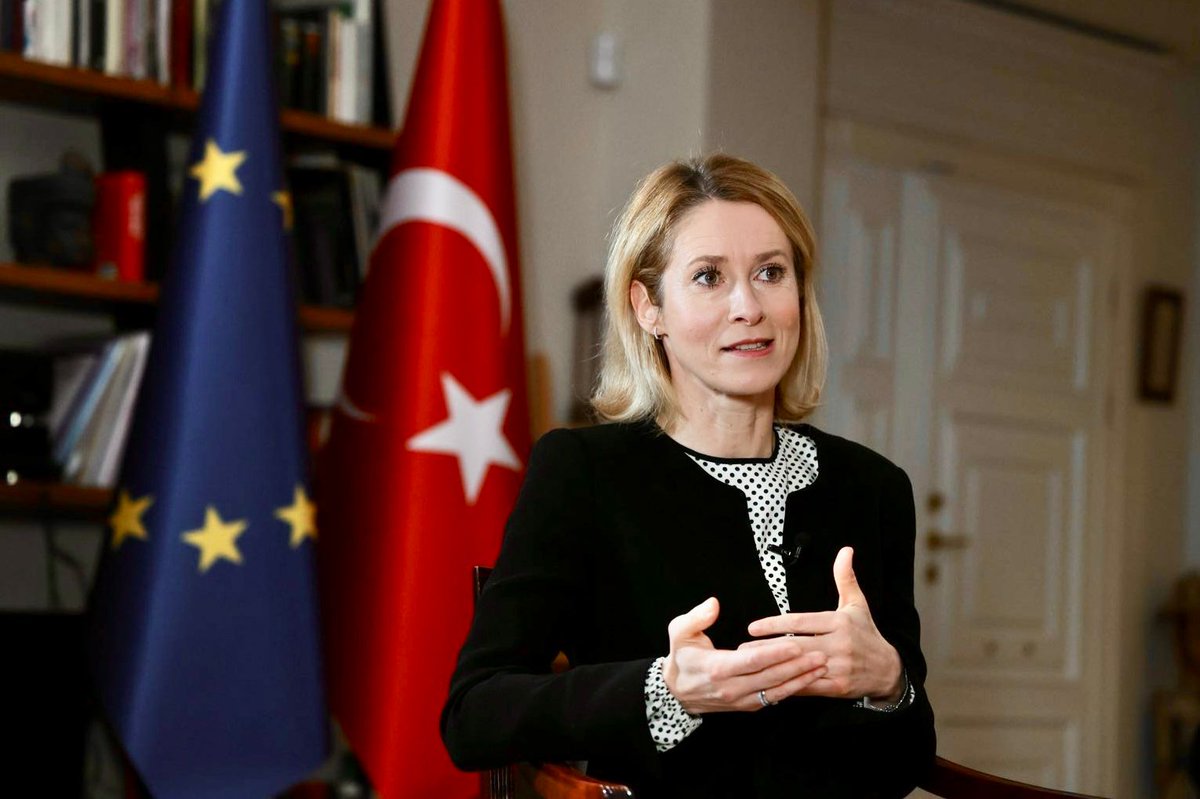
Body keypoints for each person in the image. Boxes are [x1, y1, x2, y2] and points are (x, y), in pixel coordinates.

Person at [441, 154, 936, 798]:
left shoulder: (874, 487)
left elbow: (908, 760)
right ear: (648, 308)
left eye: (771, 273)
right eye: (708, 277)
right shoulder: (583, 474)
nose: (749, 307)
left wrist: (888, 681)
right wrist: (664, 691)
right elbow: (475, 714)